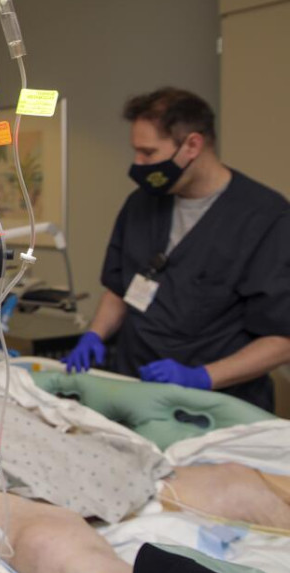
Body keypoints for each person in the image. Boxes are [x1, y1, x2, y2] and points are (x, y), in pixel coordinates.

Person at [64, 88, 290, 410]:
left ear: (192, 145)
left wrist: (201, 377)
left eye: (148, 153)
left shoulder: (266, 217)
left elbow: (282, 340)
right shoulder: (141, 204)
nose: (137, 164)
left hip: (214, 406)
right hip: (134, 388)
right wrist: (95, 334)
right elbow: (120, 289)